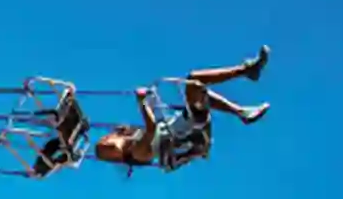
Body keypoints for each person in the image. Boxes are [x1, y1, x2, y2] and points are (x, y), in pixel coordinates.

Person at [93, 48, 269, 171]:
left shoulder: (134, 138)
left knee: (198, 91)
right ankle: (245, 76)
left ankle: (243, 105)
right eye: (106, 151)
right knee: (193, 82)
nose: (107, 144)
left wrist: (150, 97)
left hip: (185, 126)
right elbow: (152, 127)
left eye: (105, 143)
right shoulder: (137, 154)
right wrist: (142, 103)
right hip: (189, 135)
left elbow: (158, 120)